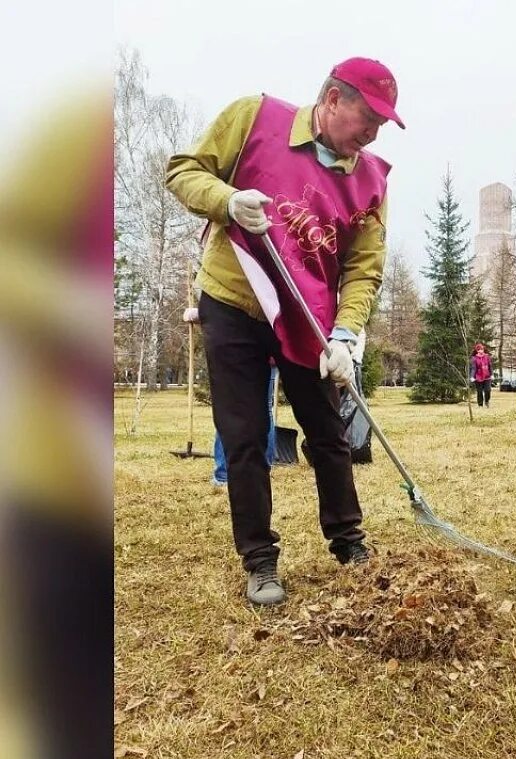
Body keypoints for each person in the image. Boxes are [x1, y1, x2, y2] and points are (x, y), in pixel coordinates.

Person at [165, 56, 404, 605]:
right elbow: (183, 170)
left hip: (306, 318)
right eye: (367, 118)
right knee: (245, 436)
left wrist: (346, 335)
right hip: (233, 302)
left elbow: (365, 266)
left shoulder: (371, 181)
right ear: (332, 99)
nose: (372, 133)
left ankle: (348, 542)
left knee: (327, 431)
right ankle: (260, 559)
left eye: (382, 125)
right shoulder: (255, 118)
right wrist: (226, 201)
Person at [470, 343, 492, 408]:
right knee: (479, 392)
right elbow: (474, 368)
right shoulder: (474, 358)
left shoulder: (487, 357)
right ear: (477, 351)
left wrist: (492, 374)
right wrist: (472, 376)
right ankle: (480, 405)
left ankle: (487, 401)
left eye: (482, 349)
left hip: (487, 376)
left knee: (487, 390)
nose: (481, 351)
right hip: (478, 377)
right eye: (479, 349)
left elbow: (490, 366)